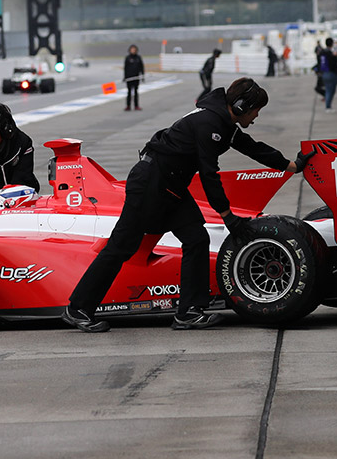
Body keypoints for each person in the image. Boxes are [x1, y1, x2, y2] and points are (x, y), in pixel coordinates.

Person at [63, 79, 310, 332]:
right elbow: (208, 174)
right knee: (121, 247)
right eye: (256, 110)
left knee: (196, 239)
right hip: (151, 184)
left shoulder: (221, 123)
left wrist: (292, 166)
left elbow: (252, 148)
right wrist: (227, 215)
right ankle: (78, 309)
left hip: (171, 186)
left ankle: (189, 312)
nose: (256, 116)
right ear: (241, 106)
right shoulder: (209, 123)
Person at [319, 37, 337, 110]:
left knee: (328, 90)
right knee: (331, 90)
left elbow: (320, 63)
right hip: (331, 73)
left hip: (324, 73)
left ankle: (328, 105)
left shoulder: (322, 53)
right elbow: (335, 64)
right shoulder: (331, 53)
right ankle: (328, 106)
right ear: (332, 44)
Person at [124, 45, 145, 111]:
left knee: (136, 92)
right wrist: (125, 77)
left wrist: (142, 76)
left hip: (136, 77)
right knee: (129, 92)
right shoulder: (128, 58)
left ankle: (136, 106)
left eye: (134, 50)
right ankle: (128, 106)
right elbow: (125, 68)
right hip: (129, 77)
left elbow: (141, 67)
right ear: (130, 50)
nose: (133, 51)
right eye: (132, 49)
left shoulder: (138, 58)